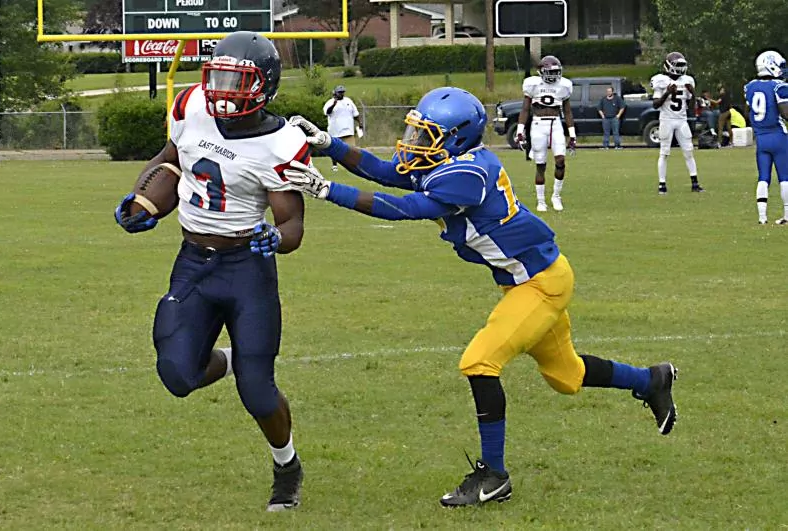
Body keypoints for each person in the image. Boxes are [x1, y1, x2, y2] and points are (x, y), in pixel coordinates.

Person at [282, 87, 679, 508]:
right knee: (567, 377)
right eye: (418, 131)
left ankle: (494, 475)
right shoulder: (447, 160)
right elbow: (386, 171)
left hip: (541, 284)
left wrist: (328, 190)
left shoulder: (467, 174)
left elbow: (402, 207)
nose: (415, 142)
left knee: (479, 361)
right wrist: (329, 144)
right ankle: (651, 380)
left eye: (427, 134)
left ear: (456, 138)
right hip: (526, 280)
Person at [113, 31, 308, 512]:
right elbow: (172, 160)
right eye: (218, 77)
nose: (223, 91)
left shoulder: (281, 142)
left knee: (257, 391)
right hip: (193, 262)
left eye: (237, 80)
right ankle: (231, 358)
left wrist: (275, 238)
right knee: (177, 374)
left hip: (247, 268)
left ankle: (287, 466)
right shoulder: (190, 105)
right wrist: (143, 200)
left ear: (264, 85)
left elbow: (292, 224)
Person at [516, 55, 577, 212]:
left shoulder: (564, 86)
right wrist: (520, 131)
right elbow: (525, 109)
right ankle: (541, 200)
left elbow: (567, 112)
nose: (553, 76)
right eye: (550, 72)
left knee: (561, 160)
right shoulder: (532, 84)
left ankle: (556, 196)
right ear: (541, 72)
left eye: (556, 72)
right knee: (540, 165)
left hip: (555, 124)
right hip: (538, 125)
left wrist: (572, 134)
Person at [650, 51, 705, 194]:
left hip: (682, 120)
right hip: (666, 120)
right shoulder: (661, 80)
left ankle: (695, 183)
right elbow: (655, 104)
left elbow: (691, 108)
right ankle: (662, 185)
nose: (680, 68)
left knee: (689, 152)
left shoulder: (687, 80)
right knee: (664, 153)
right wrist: (667, 93)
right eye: (677, 65)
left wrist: (693, 94)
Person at [744, 50, 788, 225]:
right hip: (778, 136)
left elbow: (749, 112)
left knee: (763, 177)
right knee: (784, 176)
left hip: (761, 138)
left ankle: (762, 217)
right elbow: (785, 113)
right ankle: (787, 215)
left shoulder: (750, 87)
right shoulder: (779, 86)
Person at [323, 85, 362, 173]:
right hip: (335, 131)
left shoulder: (348, 101)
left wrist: (360, 123)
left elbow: (355, 113)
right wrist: (334, 104)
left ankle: (352, 165)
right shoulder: (330, 102)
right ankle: (334, 165)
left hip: (348, 130)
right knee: (334, 149)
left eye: (343, 92)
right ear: (335, 93)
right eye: (340, 92)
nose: (341, 94)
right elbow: (327, 112)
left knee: (352, 149)